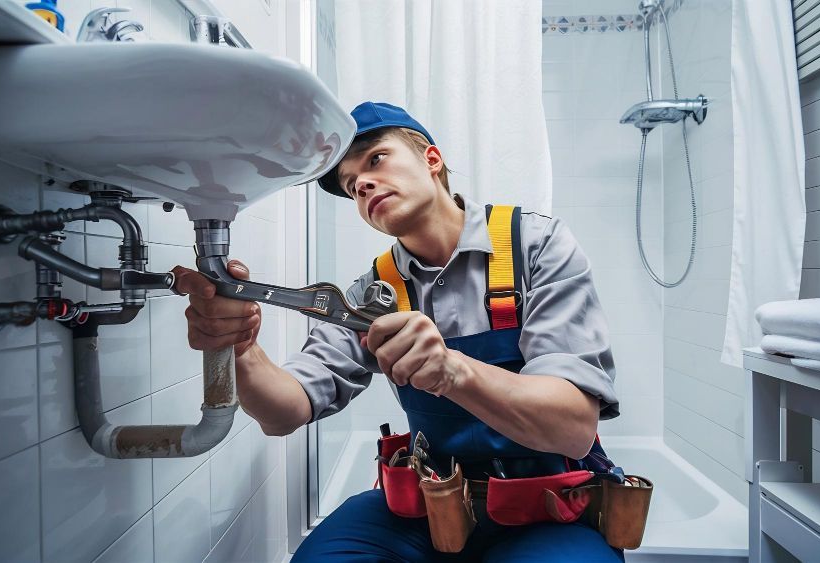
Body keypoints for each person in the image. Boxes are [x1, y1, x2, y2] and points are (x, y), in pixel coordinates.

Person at [174, 102, 622, 561]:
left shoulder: (536, 245)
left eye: (375, 160)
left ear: (431, 159)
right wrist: (240, 346)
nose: (362, 184)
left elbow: (573, 429)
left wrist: (453, 370)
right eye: (351, 186)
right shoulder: (371, 292)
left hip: (548, 505)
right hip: (430, 502)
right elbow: (282, 412)